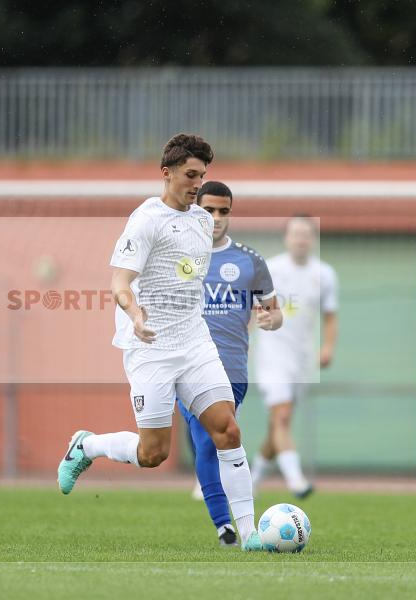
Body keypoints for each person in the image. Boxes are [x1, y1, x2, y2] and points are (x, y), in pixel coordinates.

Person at [56, 134, 264, 551]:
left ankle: (250, 535)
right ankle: (88, 445)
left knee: (228, 430)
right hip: (150, 346)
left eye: (202, 176)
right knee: (154, 454)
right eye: (190, 175)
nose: (197, 184)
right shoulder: (145, 220)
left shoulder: (203, 222)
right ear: (166, 173)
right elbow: (119, 282)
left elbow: (188, 275)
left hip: (195, 341)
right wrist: (135, 315)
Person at [177, 181, 282, 546]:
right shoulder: (178, 258)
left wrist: (271, 319)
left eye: (224, 211)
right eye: (209, 210)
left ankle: (91, 446)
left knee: (214, 442)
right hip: (188, 366)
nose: (216, 218)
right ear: (196, 210)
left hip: (233, 370)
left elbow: (274, 310)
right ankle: (227, 528)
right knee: (208, 443)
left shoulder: (250, 261)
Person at [251, 215, 338, 498]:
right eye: (295, 234)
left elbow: (330, 316)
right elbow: (251, 311)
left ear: (313, 239)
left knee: (278, 425)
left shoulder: (324, 274)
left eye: (306, 234)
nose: (300, 239)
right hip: (272, 358)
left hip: (302, 361)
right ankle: (297, 480)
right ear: (286, 238)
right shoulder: (271, 269)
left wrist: (327, 347)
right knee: (283, 416)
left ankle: (251, 480)